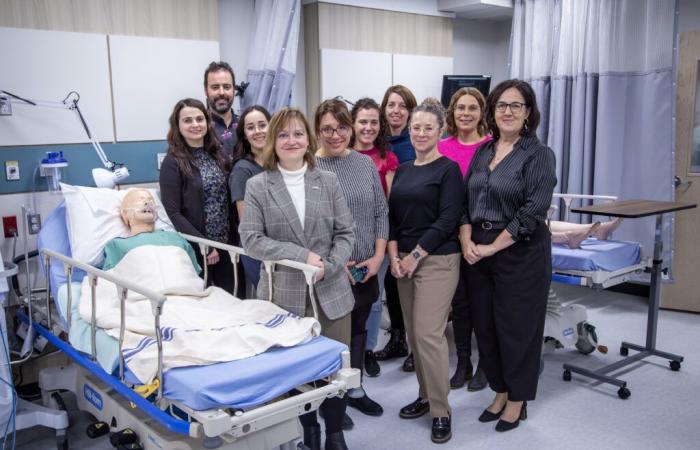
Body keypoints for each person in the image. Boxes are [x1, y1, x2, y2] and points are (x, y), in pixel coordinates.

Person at [239, 107, 355, 450]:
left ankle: (334, 433)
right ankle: (309, 434)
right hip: (283, 296)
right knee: (297, 375)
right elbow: (251, 240)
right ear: (274, 141)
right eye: (284, 134)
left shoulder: (328, 181)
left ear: (309, 140)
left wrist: (329, 266)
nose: (292, 140)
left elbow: (346, 233)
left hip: (330, 292)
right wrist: (302, 257)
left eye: (298, 134)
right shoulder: (258, 185)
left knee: (335, 370)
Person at [461, 79, 557, 433]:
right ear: (493, 110)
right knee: (485, 328)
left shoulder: (538, 154)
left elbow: (532, 211)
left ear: (528, 112)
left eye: (516, 105)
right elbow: (465, 201)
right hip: (478, 249)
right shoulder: (483, 151)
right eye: (501, 105)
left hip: (521, 251)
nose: (508, 111)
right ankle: (500, 390)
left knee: (517, 330)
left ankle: (518, 399)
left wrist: (491, 246)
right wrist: (468, 240)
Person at [388, 100, 464, 444]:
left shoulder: (448, 170)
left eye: (427, 128)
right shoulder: (403, 170)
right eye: (415, 128)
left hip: (437, 260)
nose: (420, 133)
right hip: (402, 261)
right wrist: (393, 256)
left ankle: (441, 410)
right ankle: (425, 394)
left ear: (440, 131)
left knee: (429, 335)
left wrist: (416, 255)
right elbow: (391, 217)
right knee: (415, 337)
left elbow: (448, 220)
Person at [315, 99, 388, 418]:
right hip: (331, 270)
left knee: (359, 329)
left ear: (351, 128)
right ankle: (332, 398)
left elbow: (380, 211)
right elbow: (309, 225)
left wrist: (378, 257)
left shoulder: (364, 163)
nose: (335, 135)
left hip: (366, 267)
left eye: (342, 127)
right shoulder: (309, 168)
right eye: (327, 128)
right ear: (317, 130)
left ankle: (354, 388)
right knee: (331, 335)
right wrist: (334, 263)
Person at [438, 87, 492, 392]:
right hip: (450, 235)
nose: (466, 114)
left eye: (472, 108)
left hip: (481, 236)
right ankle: (463, 362)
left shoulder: (491, 147)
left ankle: (485, 362)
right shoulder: (442, 147)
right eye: (461, 108)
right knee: (459, 304)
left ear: (481, 112)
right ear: (452, 111)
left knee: (483, 303)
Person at [159, 98, 234, 293]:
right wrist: (205, 246)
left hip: (228, 245)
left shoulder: (218, 154)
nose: (195, 125)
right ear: (178, 126)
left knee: (234, 300)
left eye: (200, 119)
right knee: (207, 305)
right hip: (199, 249)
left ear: (208, 123)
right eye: (187, 120)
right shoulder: (173, 162)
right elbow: (173, 213)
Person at [349, 97, 399, 378]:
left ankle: (367, 350)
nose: (368, 127)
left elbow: (388, 205)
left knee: (374, 300)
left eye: (373, 122)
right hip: (346, 241)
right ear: (353, 124)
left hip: (376, 240)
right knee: (348, 301)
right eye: (362, 121)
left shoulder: (386, 158)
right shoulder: (339, 155)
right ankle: (348, 352)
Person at [374, 85, 419, 373]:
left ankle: (417, 346)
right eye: (391, 104)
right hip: (384, 222)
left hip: (410, 221)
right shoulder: (378, 142)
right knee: (392, 284)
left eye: (402, 105)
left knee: (411, 286)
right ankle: (398, 339)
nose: (396, 110)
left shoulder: (415, 141)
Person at [229, 105, 271, 291]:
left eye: (262, 125)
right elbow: (247, 224)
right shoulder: (243, 170)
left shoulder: (280, 164)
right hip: (257, 251)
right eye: (251, 127)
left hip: (283, 247)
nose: (258, 131)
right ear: (244, 134)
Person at [204, 61, 239, 159]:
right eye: (215, 87)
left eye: (226, 87)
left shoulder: (246, 126)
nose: (221, 92)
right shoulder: (197, 128)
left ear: (233, 90)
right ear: (206, 91)